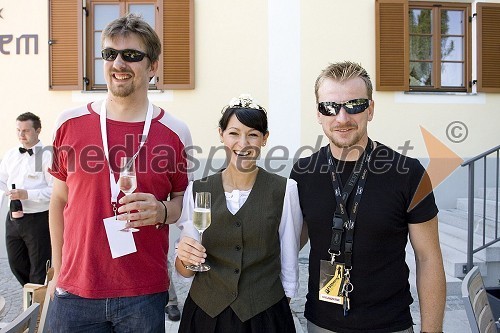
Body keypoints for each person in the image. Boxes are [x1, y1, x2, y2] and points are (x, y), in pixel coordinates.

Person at [47, 13, 192, 332]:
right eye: (110, 53)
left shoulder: (174, 132)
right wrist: (58, 272)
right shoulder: (69, 124)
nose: (118, 63)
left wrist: (161, 210)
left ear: (153, 66)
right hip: (75, 292)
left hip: (144, 294)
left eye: (132, 55)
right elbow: (58, 201)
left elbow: (182, 204)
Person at [290, 61, 446, 333]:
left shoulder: (408, 173)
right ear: (318, 113)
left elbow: (428, 258)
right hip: (321, 323)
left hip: (389, 325)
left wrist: (432, 331)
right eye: (330, 107)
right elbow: (289, 243)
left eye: (355, 105)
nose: (341, 118)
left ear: (370, 109)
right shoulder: (303, 172)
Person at [175, 94, 303, 333]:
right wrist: (184, 258)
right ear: (221, 134)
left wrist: (282, 302)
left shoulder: (285, 190)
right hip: (206, 313)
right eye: (234, 133)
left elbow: (289, 252)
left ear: (264, 139)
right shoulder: (197, 189)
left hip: (264, 313)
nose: (243, 143)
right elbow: (185, 268)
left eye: (253, 134)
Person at [0, 112, 53, 286]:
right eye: (18, 130)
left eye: (26, 131)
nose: (21, 135)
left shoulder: (48, 155)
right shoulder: (10, 154)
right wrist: (9, 192)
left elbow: (55, 191)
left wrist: (27, 195)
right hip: (13, 216)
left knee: (39, 267)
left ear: (38, 130)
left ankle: (37, 307)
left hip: (38, 219)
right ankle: (30, 293)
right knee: (16, 263)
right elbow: (2, 179)